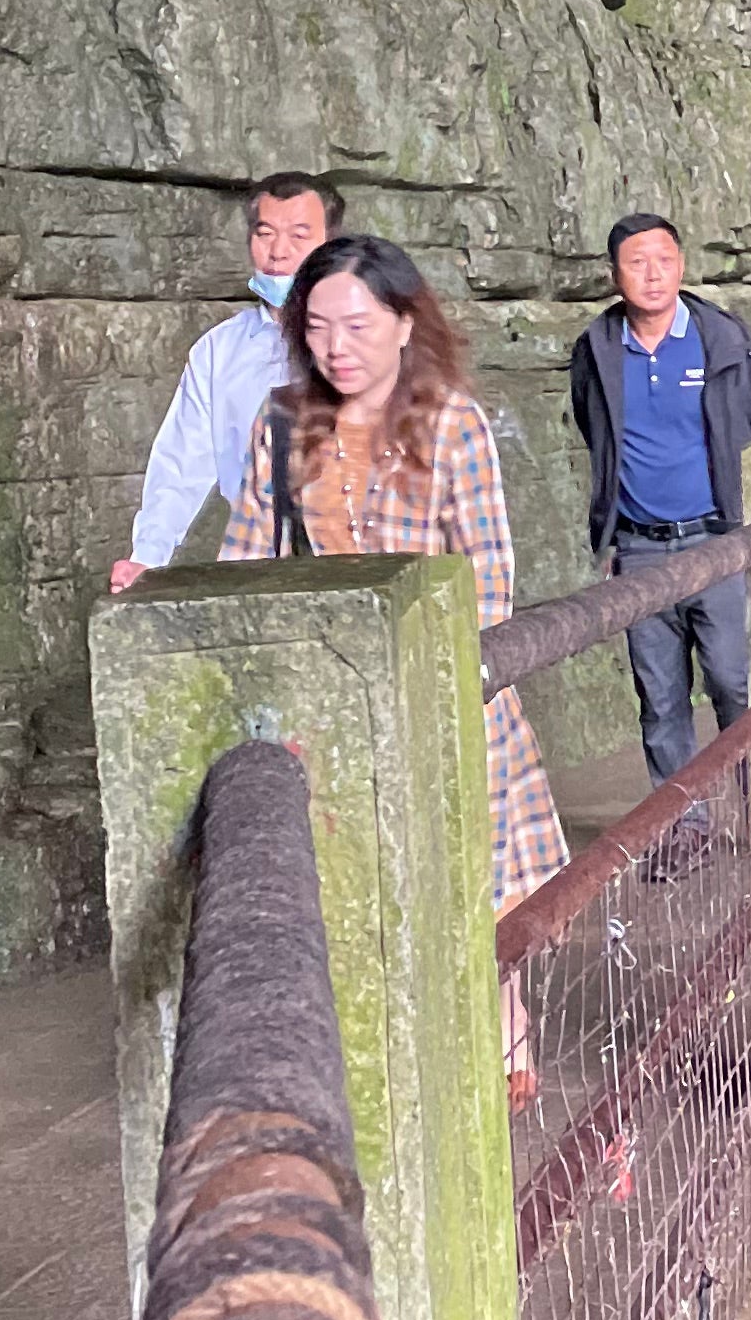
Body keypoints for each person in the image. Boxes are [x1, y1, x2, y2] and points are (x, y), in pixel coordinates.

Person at [220, 237, 562, 1101]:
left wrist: (432, 679)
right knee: (362, 902)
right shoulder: (282, 424)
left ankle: (505, 1061)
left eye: (359, 324)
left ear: (405, 324)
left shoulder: (451, 423)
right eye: (320, 325)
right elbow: (248, 564)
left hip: (444, 701)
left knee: (475, 907)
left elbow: (488, 581)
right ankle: (392, 1081)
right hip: (329, 708)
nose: (338, 344)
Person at [570, 213, 751, 775]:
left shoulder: (722, 340)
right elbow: (595, 430)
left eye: (664, 260)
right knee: (660, 699)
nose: (653, 274)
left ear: (682, 265)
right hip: (640, 548)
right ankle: (682, 829)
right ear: (614, 273)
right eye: (636, 263)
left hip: (716, 540)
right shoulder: (598, 349)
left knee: (735, 684)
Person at [110, 173, 341, 587]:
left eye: (299, 236)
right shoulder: (218, 352)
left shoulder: (361, 342)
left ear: (333, 245)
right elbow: (181, 461)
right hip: (255, 556)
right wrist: (148, 555)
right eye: (265, 233)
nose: (278, 252)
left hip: (354, 552)